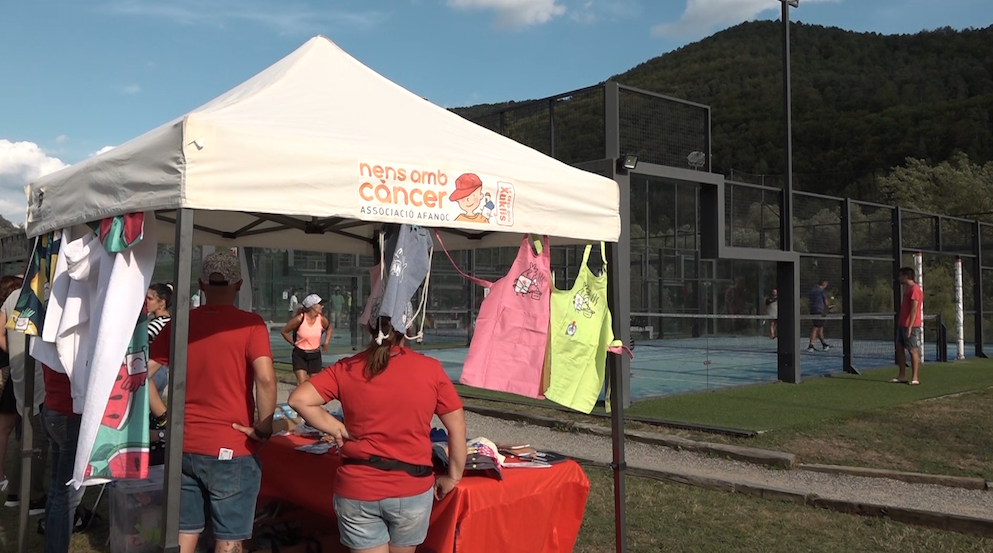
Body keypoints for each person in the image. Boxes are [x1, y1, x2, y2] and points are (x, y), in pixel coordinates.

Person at [289, 307, 467, 553]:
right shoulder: (430, 369)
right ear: (409, 328)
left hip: (359, 487)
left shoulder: (348, 367)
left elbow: (298, 399)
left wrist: (337, 428)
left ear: (369, 327)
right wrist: (453, 476)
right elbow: (457, 425)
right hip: (411, 487)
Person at [146, 252, 277, 553]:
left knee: (184, 531)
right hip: (230, 446)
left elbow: (140, 374)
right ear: (239, 284)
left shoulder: (180, 324)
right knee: (229, 537)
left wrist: (164, 416)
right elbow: (266, 379)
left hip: (184, 445)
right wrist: (264, 427)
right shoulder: (250, 324)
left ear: (201, 284)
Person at [2, 280, 48, 515]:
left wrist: (14, 353)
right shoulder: (45, 294)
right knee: (37, 437)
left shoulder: (15, 296)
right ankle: (34, 497)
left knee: (26, 436)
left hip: (21, 370)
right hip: (39, 373)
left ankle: (15, 493)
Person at [0, 275, 24, 495]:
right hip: (16, 371)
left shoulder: (5, 307)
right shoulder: (14, 305)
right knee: (13, 429)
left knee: (6, 429)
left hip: (12, 370)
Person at [282, 293, 331, 386]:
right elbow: (284, 331)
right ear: (312, 306)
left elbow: (329, 328)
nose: (322, 306)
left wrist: (326, 342)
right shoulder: (299, 319)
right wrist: (293, 343)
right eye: (320, 304)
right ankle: (299, 395)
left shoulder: (321, 319)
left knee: (314, 384)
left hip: (315, 355)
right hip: (300, 354)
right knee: (302, 383)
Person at [892, 267, 924, 385]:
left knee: (912, 350)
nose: (899, 278)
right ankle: (902, 375)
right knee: (899, 347)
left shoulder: (915, 289)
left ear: (906, 276)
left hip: (911, 325)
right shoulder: (907, 289)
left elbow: (914, 309)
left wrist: (910, 327)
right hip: (902, 324)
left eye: (901, 276)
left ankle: (915, 377)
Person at [146, 283, 173, 396]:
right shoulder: (169, 322)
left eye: (150, 299)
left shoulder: (156, 325)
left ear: (162, 302)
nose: (146, 302)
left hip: (152, 370)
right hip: (163, 370)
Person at [807, 279, 832, 352]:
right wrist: (830, 307)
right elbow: (826, 302)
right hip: (819, 311)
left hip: (812, 310)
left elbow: (810, 301)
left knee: (820, 327)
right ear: (824, 284)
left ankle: (824, 344)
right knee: (816, 327)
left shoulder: (812, 291)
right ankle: (811, 345)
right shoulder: (822, 291)